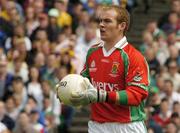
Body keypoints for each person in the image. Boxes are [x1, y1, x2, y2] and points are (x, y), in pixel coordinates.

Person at [56, 5, 150, 133]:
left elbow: (136, 95)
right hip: (97, 125)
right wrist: (67, 90)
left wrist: (102, 95)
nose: (101, 25)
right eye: (100, 21)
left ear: (122, 26)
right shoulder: (93, 52)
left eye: (107, 21)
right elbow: (84, 82)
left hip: (127, 125)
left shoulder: (134, 57)